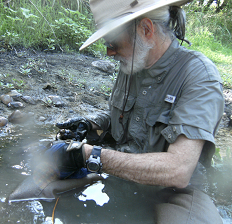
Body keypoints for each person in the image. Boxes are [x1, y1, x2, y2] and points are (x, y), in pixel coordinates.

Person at [54, 0, 225, 223]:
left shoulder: (199, 76)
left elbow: (178, 170)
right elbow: (126, 118)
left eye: (113, 42)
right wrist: (92, 124)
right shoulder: (133, 62)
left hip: (173, 193)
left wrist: (88, 155)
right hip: (120, 174)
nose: (109, 51)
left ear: (146, 30)